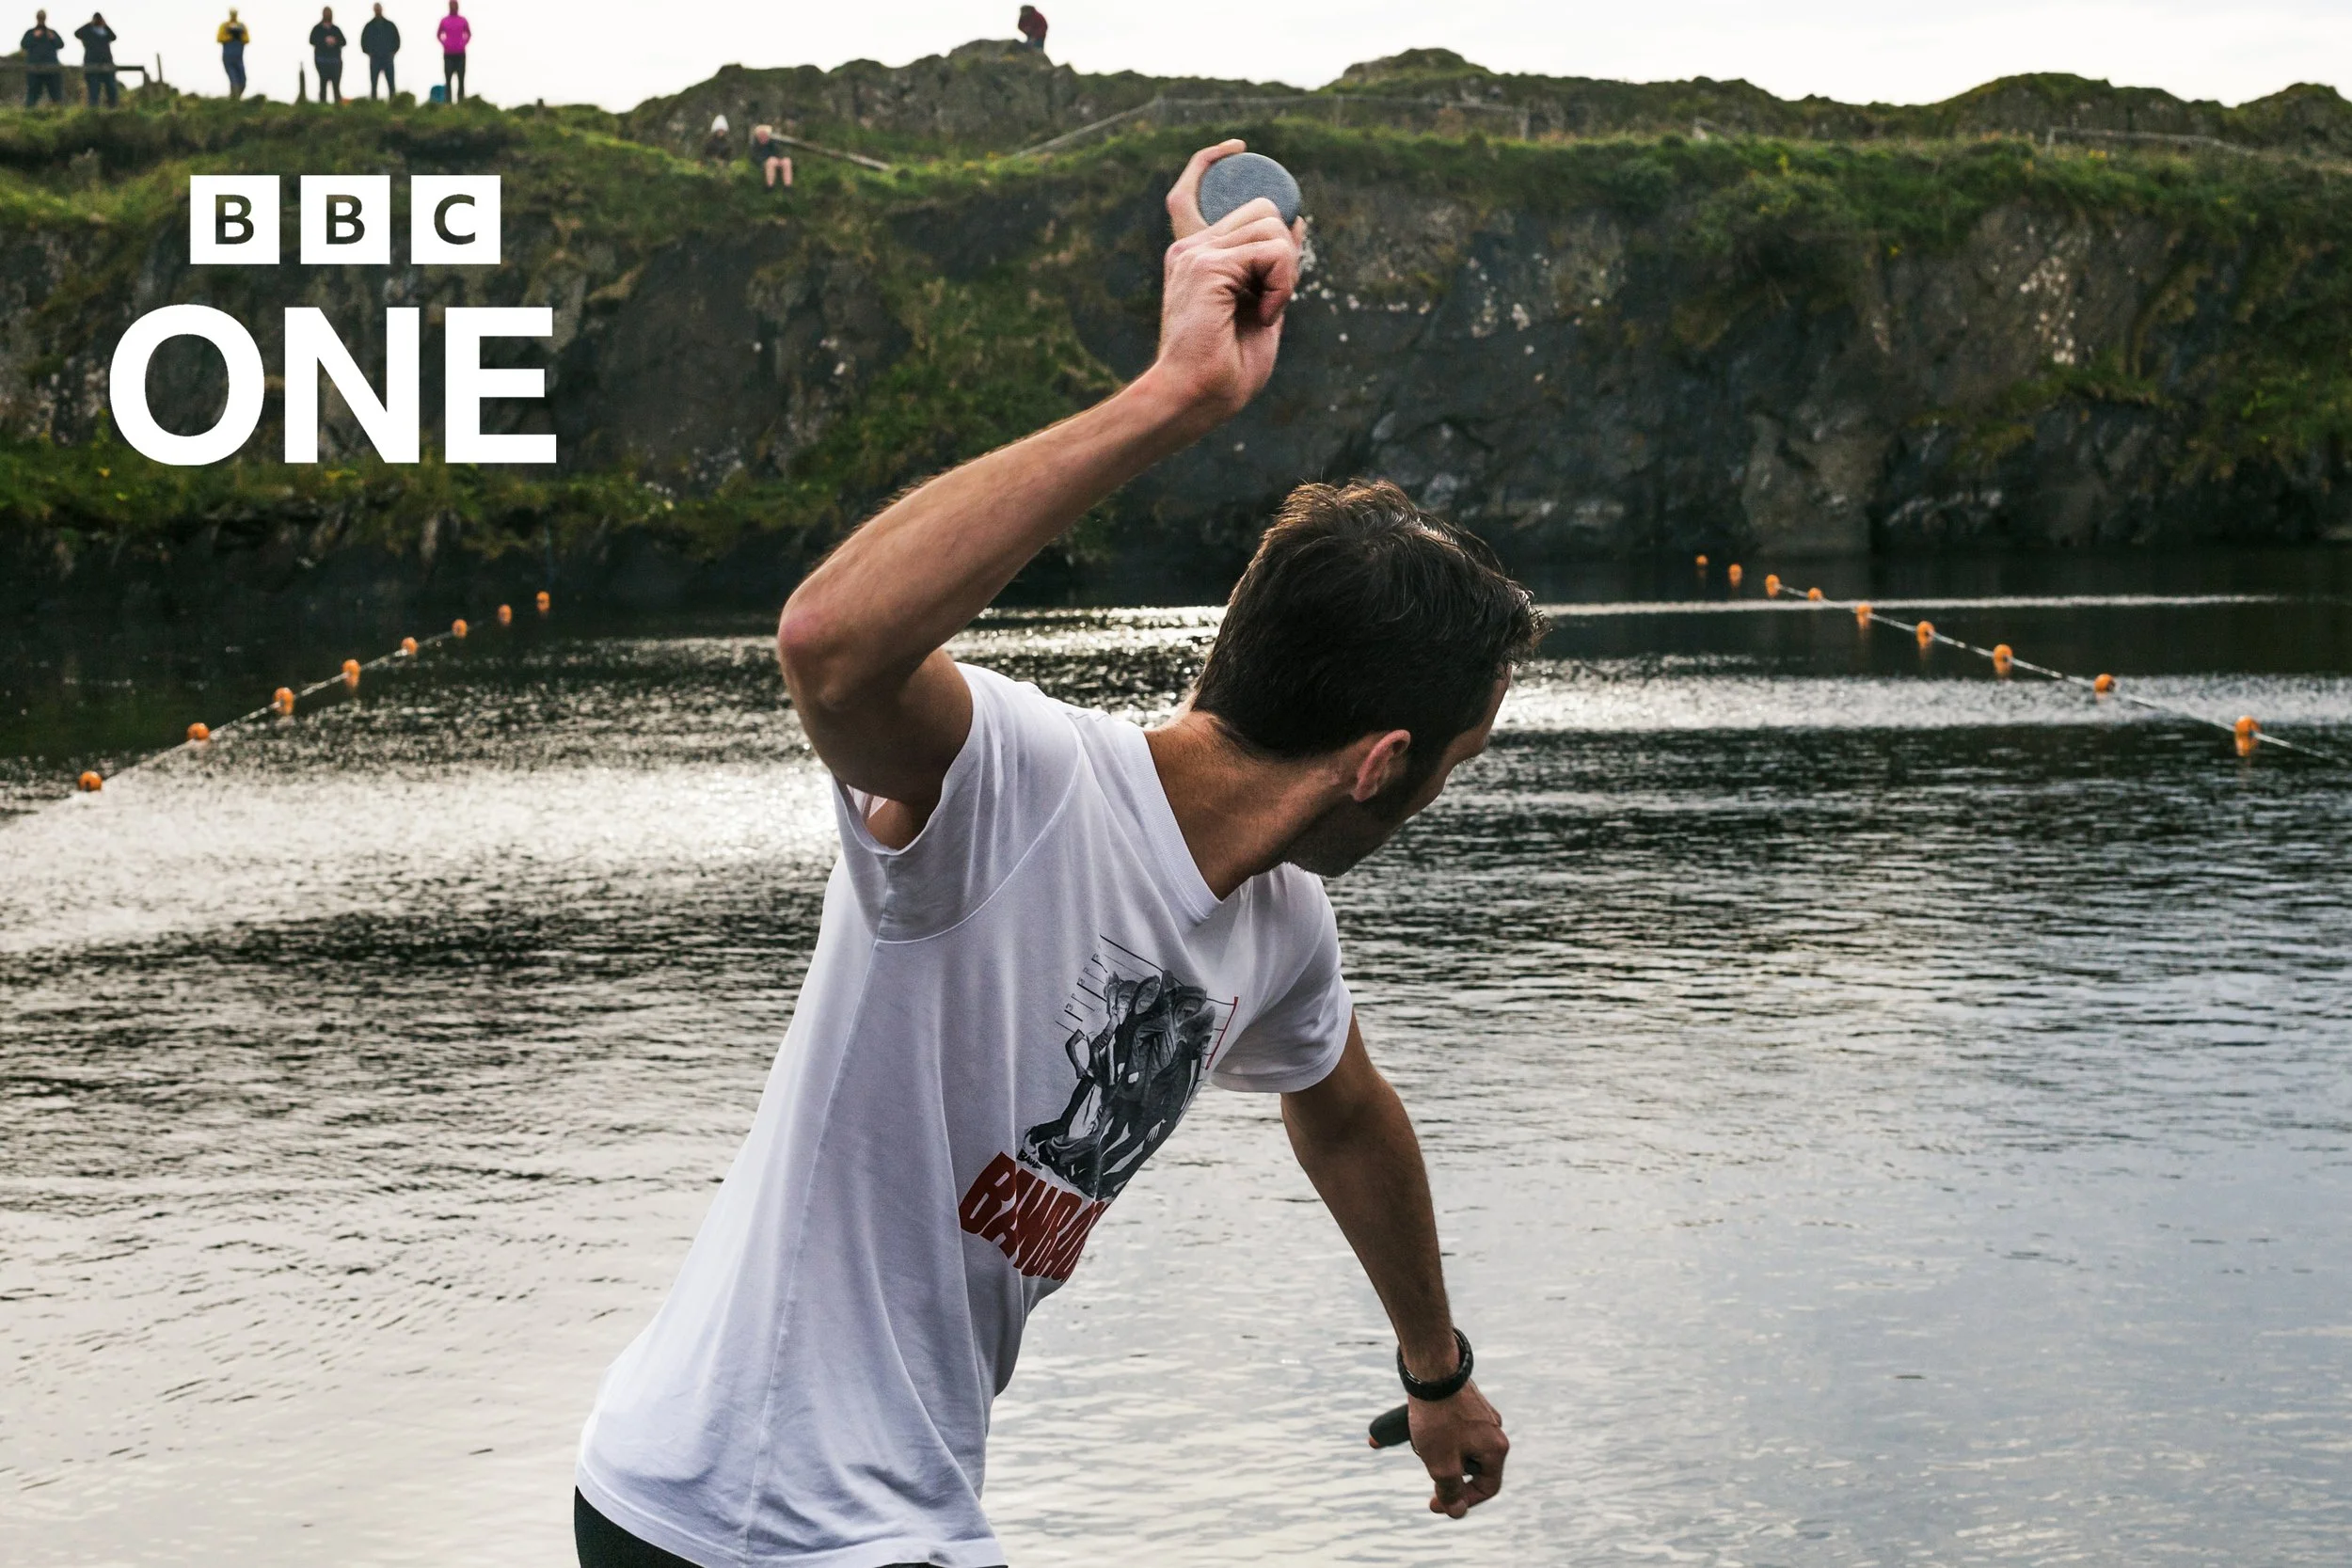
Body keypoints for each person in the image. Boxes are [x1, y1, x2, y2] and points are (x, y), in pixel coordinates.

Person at [572, 140, 1523, 1568]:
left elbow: (1345, 1113)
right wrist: (1174, 399)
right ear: (1381, 762)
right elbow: (829, 648)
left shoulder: (1275, 927)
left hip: (871, 1507)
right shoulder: (1015, 783)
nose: (1442, 791)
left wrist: (1434, 1367)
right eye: (1455, 763)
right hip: (748, 1510)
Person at [20, 9, 64, 106]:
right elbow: (23, 44)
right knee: (32, 94)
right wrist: (33, 36)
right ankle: (28, 114)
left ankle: (59, 114)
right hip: (35, 69)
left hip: (51, 68)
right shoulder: (31, 32)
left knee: (56, 94)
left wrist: (53, 38)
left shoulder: (51, 32)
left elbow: (61, 44)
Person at [72, 9, 113, 106]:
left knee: (111, 88)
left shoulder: (105, 32)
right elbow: (77, 33)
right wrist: (90, 24)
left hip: (106, 64)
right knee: (94, 90)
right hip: (91, 64)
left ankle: (113, 109)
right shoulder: (88, 31)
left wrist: (105, 26)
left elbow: (114, 37)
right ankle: (93, 110)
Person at [359, 1, 397, 99]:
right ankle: (374, 103)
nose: (378, 10)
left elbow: (396, 40)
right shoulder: (369, 26)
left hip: (387, 58)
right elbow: (364, 41)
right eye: (376, 9)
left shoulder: (390, 25)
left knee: (391, 84)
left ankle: (393, 102)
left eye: (379, 8)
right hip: (375, 58)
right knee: (374, 84)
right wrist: (369, 53)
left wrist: (392, 52)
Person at [309, 7, 345, 103]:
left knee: (336, 87)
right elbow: (312, 40)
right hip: (322, 62)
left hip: (335, 62)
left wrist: (335, 41)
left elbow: (343, 42)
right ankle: (322, 105)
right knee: (323, 86)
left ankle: (338, 106)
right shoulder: (317, 29)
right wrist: (324, 41)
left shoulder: (336, 29)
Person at [434, 0, 466, 102]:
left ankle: (461, 101)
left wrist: (463, 43)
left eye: (454, 5)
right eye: (451, 5)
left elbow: (469, 33)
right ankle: (448, 102)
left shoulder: (462, 20)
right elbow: (438, 34)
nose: (453, 7)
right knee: (448, 79)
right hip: (448, 54)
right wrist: (445, 43)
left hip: (460, 54)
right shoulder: (444, 21)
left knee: (461, 79)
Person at [748, 122, 792, 190]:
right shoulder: (755, 145)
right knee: (771, 161)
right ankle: (770, 185)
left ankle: (787, 186)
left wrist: (779, 160)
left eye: (765, 134)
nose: (763, 136)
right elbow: (755, 157)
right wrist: (767, 160)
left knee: (787, 161)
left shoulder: (772, 143)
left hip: (775, 161)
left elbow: (778, 153)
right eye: (761, 134)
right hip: (764, 163)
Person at [216, 8, 247, 100]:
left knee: (242, 79)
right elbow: (219, 38)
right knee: (233, 78)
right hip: (228, 57)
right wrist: (230, 36)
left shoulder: (242, 26)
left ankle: (234, 98)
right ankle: (235, 98)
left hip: (239, 58)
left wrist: (239, 36)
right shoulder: (224, 26)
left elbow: (247, 39)